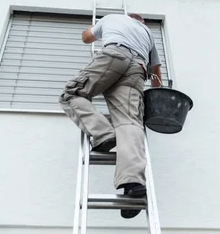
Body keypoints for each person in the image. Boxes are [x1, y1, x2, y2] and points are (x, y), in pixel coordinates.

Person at [59, 13, 162, 219]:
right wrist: (151, 84)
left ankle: (103, 133)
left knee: (71, 94)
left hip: (114, 55)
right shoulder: (148, 33)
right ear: (141, 21)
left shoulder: (111, 17)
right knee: (130, 122)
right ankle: (132, 183)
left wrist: (92, 29)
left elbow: (86, 38)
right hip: (138, 69)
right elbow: (156, 76)